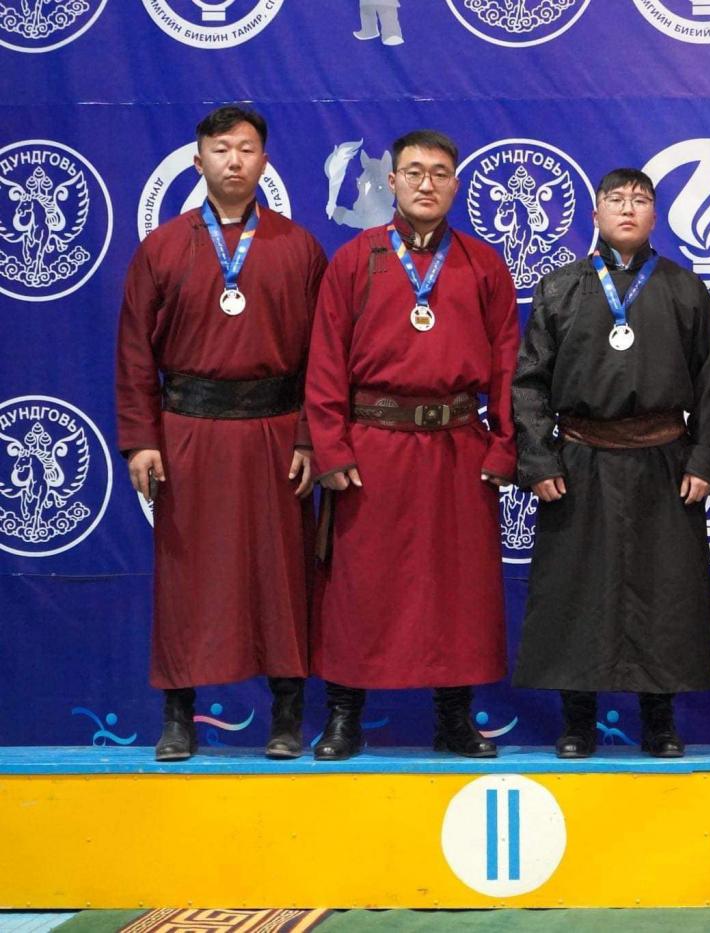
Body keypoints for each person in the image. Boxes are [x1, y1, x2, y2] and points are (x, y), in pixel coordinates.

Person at [116, 105, 326, 761]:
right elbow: (134, 353)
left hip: (275, 435)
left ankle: (287, 716)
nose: (234, 160)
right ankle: (178, 715)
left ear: (265, 160)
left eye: (246, 148)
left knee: (282, 577)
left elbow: (323, 358)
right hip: (188, 434)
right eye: (221, 148)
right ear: (198, 159)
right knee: (186, 580)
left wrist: (309, 438)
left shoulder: (298, 248)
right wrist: (141, 439)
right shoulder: (162, 247)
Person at [305, 129, 519, 761]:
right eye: (415, 172)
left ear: (456, 185)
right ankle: (344, 716)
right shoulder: (355, 260)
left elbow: (508, 366)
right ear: (392, 181)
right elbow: (325, 362)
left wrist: (504, 446)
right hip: (373, 446)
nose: (427, 184)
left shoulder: (483, 265)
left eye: (440, 173)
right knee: (359, 585)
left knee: (459, 589)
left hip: (458, 445)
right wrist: (331, 449)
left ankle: (454, 718)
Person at [512, 168, 710, 758]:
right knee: (576, 594)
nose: (628, 208)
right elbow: (529, 383)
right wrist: (540, 459)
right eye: (616, 199)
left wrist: (705, 459)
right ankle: (577, 722)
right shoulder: (560, 288)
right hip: (580, 459)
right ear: (596, 213)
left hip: (665, 461)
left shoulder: (685, 289)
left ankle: (660, 721)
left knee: (666, 594)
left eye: (640, 200)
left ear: (655, 215)